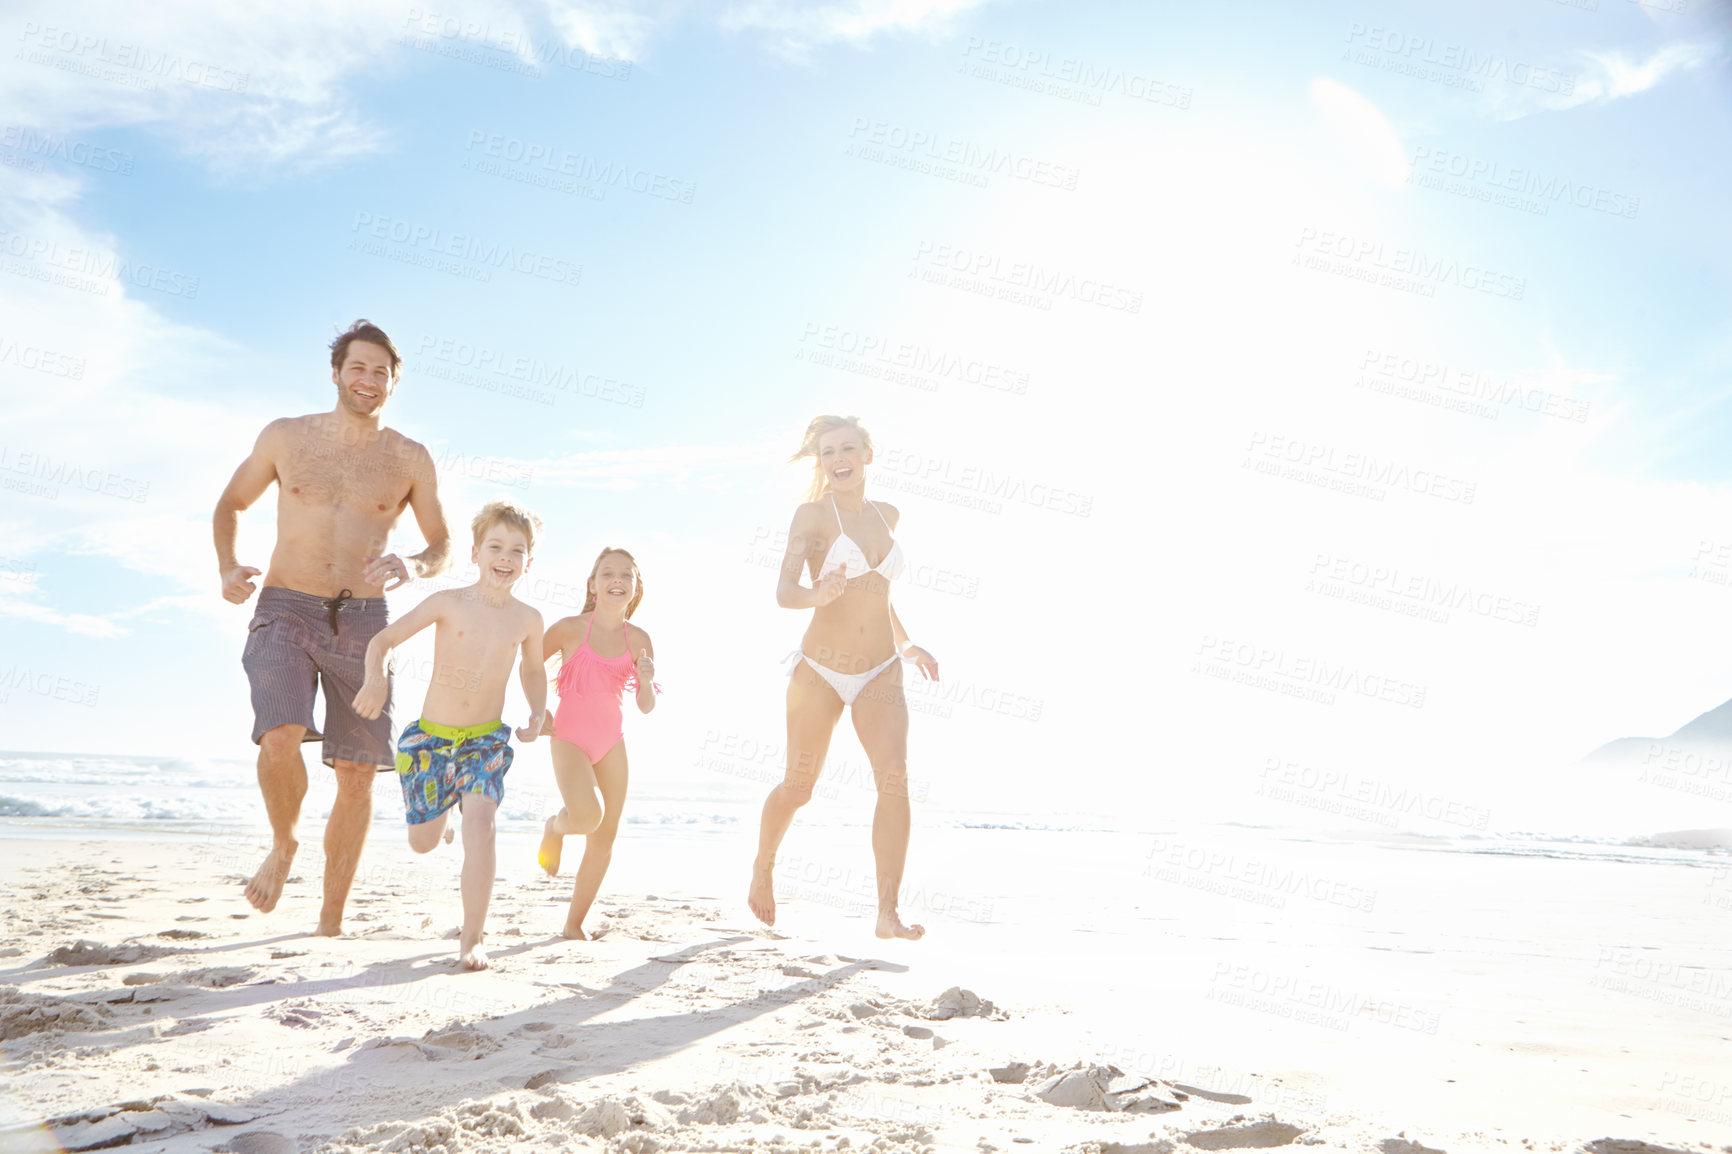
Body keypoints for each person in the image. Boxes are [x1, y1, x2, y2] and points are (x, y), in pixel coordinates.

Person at [213, 320, 452, 935]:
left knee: (356, 772)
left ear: (394, 382)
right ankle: (283, 842)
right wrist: (228, 567)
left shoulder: (409, 458)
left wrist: (416, 563)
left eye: (381, 372)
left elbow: (442, 543)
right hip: (285, 605)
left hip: (365, 623)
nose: (368, 380)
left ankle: (329, 922)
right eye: (359, 368)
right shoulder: (286, 437)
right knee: (280, 734)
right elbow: (230, 504)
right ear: (337, 372)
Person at [748, 415, 939, 939]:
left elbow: (881, 591)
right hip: (820, 671)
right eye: (828, 452)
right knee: (799, 787)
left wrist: (906, 642)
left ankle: (887, 912)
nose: (838, 459)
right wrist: (817, 594)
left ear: (867, 455)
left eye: (847, 448)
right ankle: (763, 866)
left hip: (883, 667)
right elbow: (785, 592)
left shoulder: (889, 515)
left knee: (894, 779)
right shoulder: (811, 516)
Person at [352, 499, 547, 971]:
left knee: (481, 827)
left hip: (485, 743)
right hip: (430, 743)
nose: (505, 557)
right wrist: (375, 681)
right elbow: (382, 641)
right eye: (495, 546)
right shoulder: (447, 603)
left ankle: (472, 939)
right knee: (422, 841)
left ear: (528, 561)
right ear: (476, 552)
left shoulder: (527, 619)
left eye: (516, 550)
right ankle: (442, 820)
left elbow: (534, 668)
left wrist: (539, 712)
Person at [536, 547, 659, 940]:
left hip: (611, 742)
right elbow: (526, 666)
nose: (617, 580)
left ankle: (574, 924)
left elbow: (646, 706)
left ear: (636, 588)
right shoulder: (569, 628)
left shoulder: (639, 639)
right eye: (608, 574)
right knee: (588, 816)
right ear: (593, 585)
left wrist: (644, 679)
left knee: (604, 837)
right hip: (567, 737)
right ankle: (555, 826)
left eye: (627, 574)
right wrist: (539, 711)